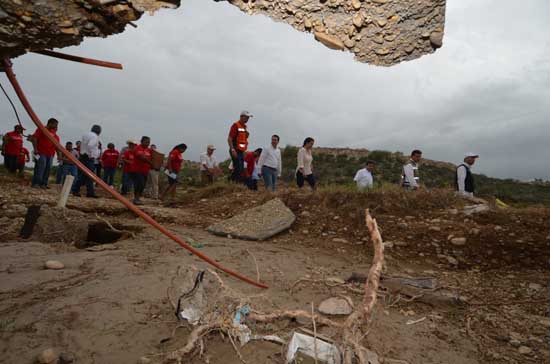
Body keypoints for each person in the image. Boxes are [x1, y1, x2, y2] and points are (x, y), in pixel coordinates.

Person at [29, 118, 60, 189]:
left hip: (51, 154)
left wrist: (58, 155)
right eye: (55, 125)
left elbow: (57, 147)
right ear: (50, 123)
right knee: (40, 167)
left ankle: (44, 184)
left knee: (48, 169)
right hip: (41, 152)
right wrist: (35, 149)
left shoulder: (56, 136)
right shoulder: (41, 129)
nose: (56, 126)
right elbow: (34, 138)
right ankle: (36, 183)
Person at [72, 124, 101, 198]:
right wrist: (91, 155)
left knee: (85, 175)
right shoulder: (95, 137)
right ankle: (78, 190)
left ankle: (87, 191)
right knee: (88, 175)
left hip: (82, 157)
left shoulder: (86, 134)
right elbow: (90, 146)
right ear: (99, 131)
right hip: (88, 158)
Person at [227, 110, 252, 183]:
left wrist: (244, 151)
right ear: (241, 117)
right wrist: (232, 149)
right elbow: (229, 138)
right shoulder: (235, 125)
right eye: (246, 117)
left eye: (248, 118)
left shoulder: (244, 127)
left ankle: (232, 181)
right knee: (238, 168)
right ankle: (237, 184)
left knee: (240, 169)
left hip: (241, 151)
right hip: (235, 150)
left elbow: (243, 141)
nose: (247, 119)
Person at [131, 136, 152, 205]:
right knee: (140, 184)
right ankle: (136, 199)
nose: (147, 143)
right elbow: (142, 158)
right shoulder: (137, 148)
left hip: (145, 171)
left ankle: (138, 198)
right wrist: (152, 163)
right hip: (137, 170)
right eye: (146, 142)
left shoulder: (149, 150)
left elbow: (153, 158)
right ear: (141, 141)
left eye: (148, 142)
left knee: (143, 185)